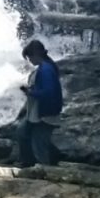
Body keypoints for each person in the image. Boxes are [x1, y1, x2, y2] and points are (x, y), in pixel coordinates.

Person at [17, 38, 63, 167]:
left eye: (30, 57)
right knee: (23, 132)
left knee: (39, 142)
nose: (29, 60)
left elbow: (48, 92)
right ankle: (28, 162)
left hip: (45, 113)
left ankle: (45, 168)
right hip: (38, 112)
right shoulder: (45, 68)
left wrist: (30, 92)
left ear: (36, 55)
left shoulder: (46, 70)